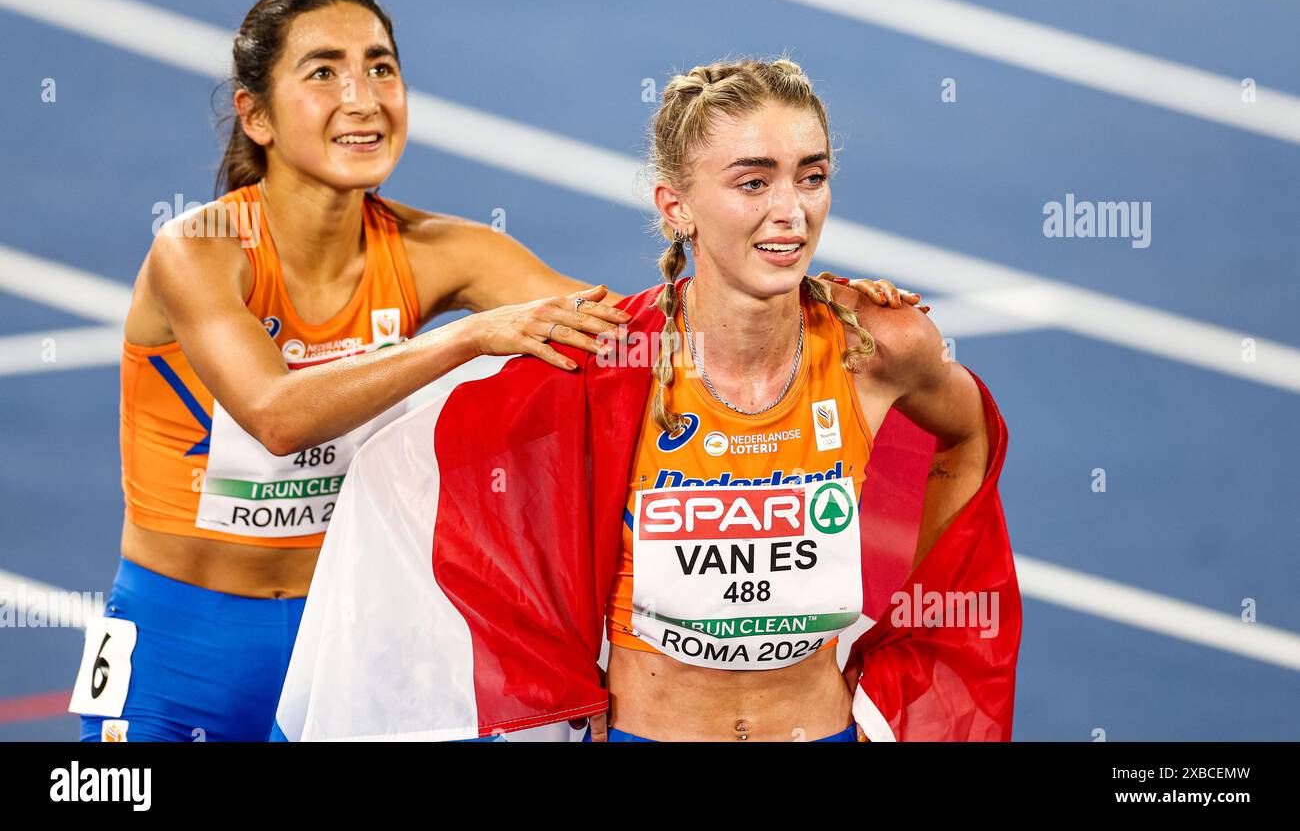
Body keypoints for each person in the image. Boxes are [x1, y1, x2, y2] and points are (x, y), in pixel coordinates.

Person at [68, 0, 917, 742]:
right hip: (188, 642)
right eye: (323, 72)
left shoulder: (440, 249)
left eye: (381, 68)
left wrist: (800, 287)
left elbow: (628, 336)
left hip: (349, 631)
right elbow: (277, 415)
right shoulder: (200, 249)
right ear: (256, 114)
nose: (362, 98)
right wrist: (466, 337)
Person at [272, 56, 1019, 743]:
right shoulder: (611, 356)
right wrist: (470, 338)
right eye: (753, 182)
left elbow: (967, 439)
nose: (791, 210)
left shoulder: (880, 347)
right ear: (677, 206)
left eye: (811, 176)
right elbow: (382, 465)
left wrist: (898, 635)